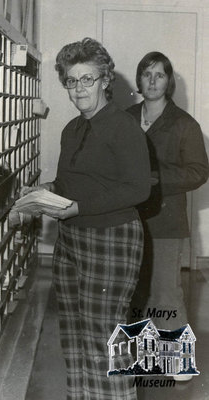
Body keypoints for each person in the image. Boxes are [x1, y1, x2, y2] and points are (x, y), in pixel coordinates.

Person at [21, 38, 151, 399]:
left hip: (112, 238)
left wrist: (79, 206)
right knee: (75, 336)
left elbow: (138, 188)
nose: (79, 88)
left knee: (104, 338)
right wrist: (41, 192)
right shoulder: (72, 129)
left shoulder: (123, 127)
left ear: (105, 80)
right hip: (71, 240)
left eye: (87, 79)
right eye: (72, 80)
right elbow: (70, 183)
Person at [127, 52, 208, 336]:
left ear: (168, 81)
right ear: (138, 79)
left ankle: (176, 359)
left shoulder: (184, 124)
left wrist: (156, 179)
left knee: (165, 292)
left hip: (165, 221)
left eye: (159, 75)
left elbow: (199, 172)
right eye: (146, 74)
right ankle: (134, 354)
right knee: (130, 292)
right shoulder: (124, 119)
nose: (152, 81)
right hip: (125, 220)